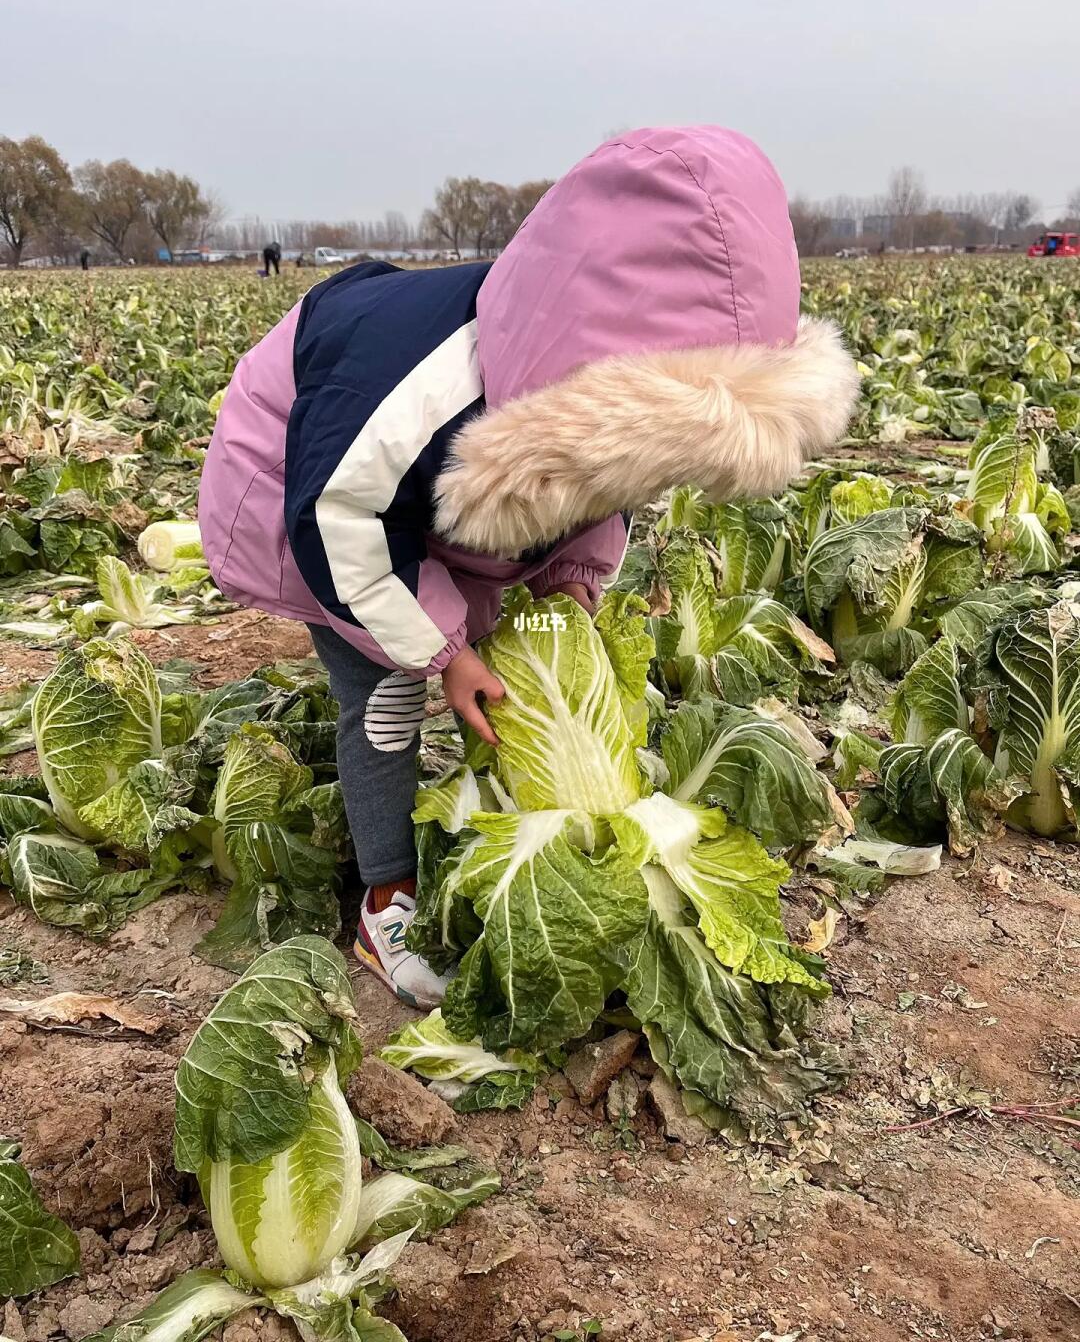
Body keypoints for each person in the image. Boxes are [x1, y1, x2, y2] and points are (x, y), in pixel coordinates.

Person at [199, 126, 859, 1008]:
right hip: (306, 488)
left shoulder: (601, 395)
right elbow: (339, 524)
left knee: (488, 640)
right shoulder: (411, 393)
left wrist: (574, 583)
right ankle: (386, 893)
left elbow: (600, 485)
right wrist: (446, 653)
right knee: (384, 694)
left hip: (413, 485)